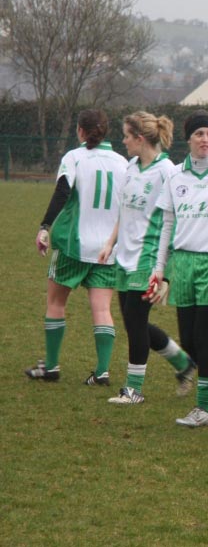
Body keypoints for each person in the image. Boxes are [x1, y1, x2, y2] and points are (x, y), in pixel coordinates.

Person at [99, 112, 196, 405]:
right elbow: (124, 211)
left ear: (140, 139)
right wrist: (110, 242)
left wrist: (163, 269)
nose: (124, 141)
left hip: (149, 258)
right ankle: (184, 363)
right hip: (124, 257)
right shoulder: (130, 166)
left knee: (136, 322)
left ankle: (133, 390)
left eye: (127, 136)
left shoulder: (167, 171)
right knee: (132, 322)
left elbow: (176, 218)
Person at [25, 109, 127, 385]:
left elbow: (62, 191)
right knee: (102, 309)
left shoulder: (74, 157)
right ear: (105, 131)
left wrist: (45, 226)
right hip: (108, 248)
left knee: (56, 303)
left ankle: (52, 367)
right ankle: (102, 372)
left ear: (81, 131)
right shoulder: (122, 162)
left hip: (74, 244)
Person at [153, 110, 208, 427]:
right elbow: (167, 226)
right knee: (189, 340)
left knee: (203, 336)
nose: (205, 139)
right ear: (188, 139)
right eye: (199, 134)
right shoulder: (174, 176)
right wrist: (160, 269)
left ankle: (203, 409)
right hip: (183, 264)